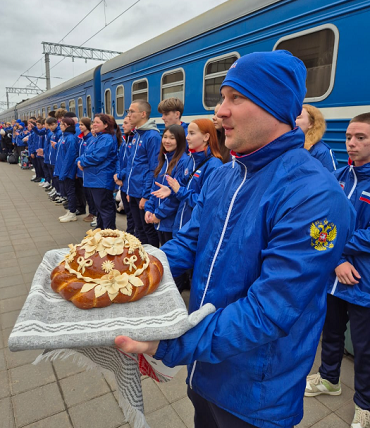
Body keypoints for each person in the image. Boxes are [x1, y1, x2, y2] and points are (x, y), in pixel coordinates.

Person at [115, 51, 356, 428]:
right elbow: (188, 242)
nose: (219, 111)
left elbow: (269, 311)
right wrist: (127, 274)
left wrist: (168, 344)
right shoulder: (226, 174)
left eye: (235, 98)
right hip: (205, 371)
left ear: (275, 107)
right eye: (222, 97)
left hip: (257, 395)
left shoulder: (315, 196)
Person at [305, 113, 370, 428]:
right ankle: (330, 379)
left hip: (362, 281)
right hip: (334, 275)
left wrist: (338, 251)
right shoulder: (337, 176)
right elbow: (317, 220)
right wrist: (336, 260)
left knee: (364, 346)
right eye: (348, 137)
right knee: (329, 333)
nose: (352, 144)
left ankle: (365, 405)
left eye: (361, 138)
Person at [152, 118, 223, 237]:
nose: (187, 137)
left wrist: (179, 191)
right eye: (188, 133)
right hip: (180, 229)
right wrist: (171, 191)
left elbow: (205, 203)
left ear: (206, 137)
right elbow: (181, 189)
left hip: (194, 233)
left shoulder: (214, 166)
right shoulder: (190, 161)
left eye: (192, 133)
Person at [123, 99, 162, 246]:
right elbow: (132, 165)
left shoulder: (152, 136)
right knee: (138, 229)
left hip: (142, 193)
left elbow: (154, 169)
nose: (129, 115)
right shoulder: (137, 135)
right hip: (133, 191)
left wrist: (146, 196)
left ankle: (150, 260)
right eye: (129, 111)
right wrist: (128, 189)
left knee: (147, 230)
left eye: (132, 111)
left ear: (143, 114)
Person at [144, 124, 188, 245]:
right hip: (160, 220)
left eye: (172, 138)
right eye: (165, 137)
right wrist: (149, 209)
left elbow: (175, 196)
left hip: (170, 222)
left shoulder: (182, 162)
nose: (167, 141)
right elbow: (155, 188)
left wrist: (158, 214)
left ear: (180, 140)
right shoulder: (164, 160)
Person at [77, 113, 118, 230]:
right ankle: (101, 230)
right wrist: (79, 161)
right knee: (100, 208)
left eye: (97, 122)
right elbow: (85, 154)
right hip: (94, 178)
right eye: (93, 122)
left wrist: (82, 162)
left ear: (105, 125)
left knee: (104, 208)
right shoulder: (97, 138)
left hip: (101, 178)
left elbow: (97, 156)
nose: (94, 124)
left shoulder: (106, 138)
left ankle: (108, 234)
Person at [295, 104, 338, 171]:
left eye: (298, 117)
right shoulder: (291, 145)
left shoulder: (321, 151)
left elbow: (331, 177)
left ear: (311, 123)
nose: (293, 120)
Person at [114, 115, 135, 235]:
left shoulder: (133, 142)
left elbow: (131, 164)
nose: (123, 126)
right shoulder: (124, 141)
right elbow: (119, 159)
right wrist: (117, 174)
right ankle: (130, 232)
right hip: (122, 180)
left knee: (132, 214)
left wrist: (120, 175)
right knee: (128, 210)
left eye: (126, 123)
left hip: (128, 181)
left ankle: (131, 234)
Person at [58, 117, 79, 223]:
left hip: (69, 170)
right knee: (68, 191)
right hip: (65, 169)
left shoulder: (70, 138)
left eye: (61, 124)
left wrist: (64, 172)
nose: (60, 126)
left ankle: (72, 213)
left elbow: (69, 157)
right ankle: (70, 211)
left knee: (70, 191)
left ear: (67, 126)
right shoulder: (65, 137)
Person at [76, 117, 95, 219]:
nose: (80, 126)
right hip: (81, 170)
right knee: (86, 193)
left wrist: (82, 162)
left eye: (82, 125)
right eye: (79, 125)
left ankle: (93, 213)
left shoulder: (90, 139)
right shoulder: (81, 138)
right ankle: (91, 212)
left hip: (86, 169)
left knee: (90, 194)